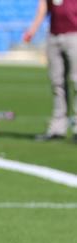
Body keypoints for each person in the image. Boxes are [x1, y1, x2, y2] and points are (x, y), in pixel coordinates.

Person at [24, 0, 77, 143]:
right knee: (57, 83)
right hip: (54, 34)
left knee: (76, 81)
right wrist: (33, 29)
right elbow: (43, 6)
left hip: (74, 33)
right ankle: (57, 128)